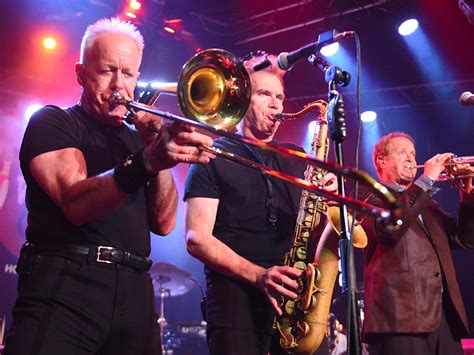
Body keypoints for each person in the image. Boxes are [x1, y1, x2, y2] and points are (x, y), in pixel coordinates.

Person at [4, 17, 214, 355]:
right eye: (107, 71)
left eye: (128, 74)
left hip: (134, 292)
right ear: (81, 73)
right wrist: (145, 162)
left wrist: (154, 147)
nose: (119, 85)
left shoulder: (138, 143)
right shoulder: (54, 121)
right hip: (64, 286)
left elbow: (164, 222)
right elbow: (75, 203)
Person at [184, 52, 338, 355]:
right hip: (234, 301)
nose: (276, 104)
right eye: (265, 94)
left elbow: (310, 228)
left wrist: (328, 197)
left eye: (280, 97)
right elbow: (196, 239)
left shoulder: (296, 156)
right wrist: (258, 275)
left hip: (293, 302)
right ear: (241, 101)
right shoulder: (213, 152)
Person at [319, 131, 474, 355]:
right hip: (400, 320)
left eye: (413, 153)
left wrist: (467, 195)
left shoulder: (426, 204)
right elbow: (390, 229)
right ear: (381, 161)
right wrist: (426, 180)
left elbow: (464, 240)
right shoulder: (365, 194)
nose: (412, 159)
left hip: (444, 320)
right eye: (403, 153)